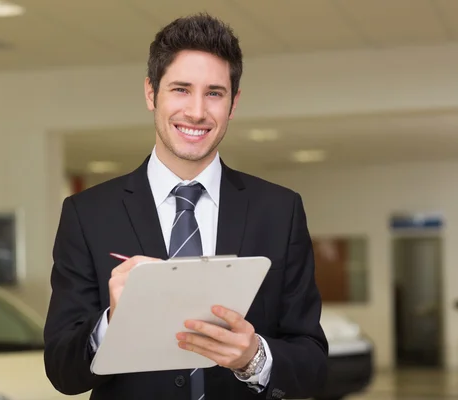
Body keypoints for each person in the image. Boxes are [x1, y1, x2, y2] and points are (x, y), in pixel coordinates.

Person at [44, 13, 328, 400]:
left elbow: (312, 364)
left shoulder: (280, 211)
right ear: (150, 93)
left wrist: (253, 358)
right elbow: (62, 371)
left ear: (234, 103)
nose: (196, 111)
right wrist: (113, 321)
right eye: (180, 89)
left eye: (214, 93)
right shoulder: (87, 215)